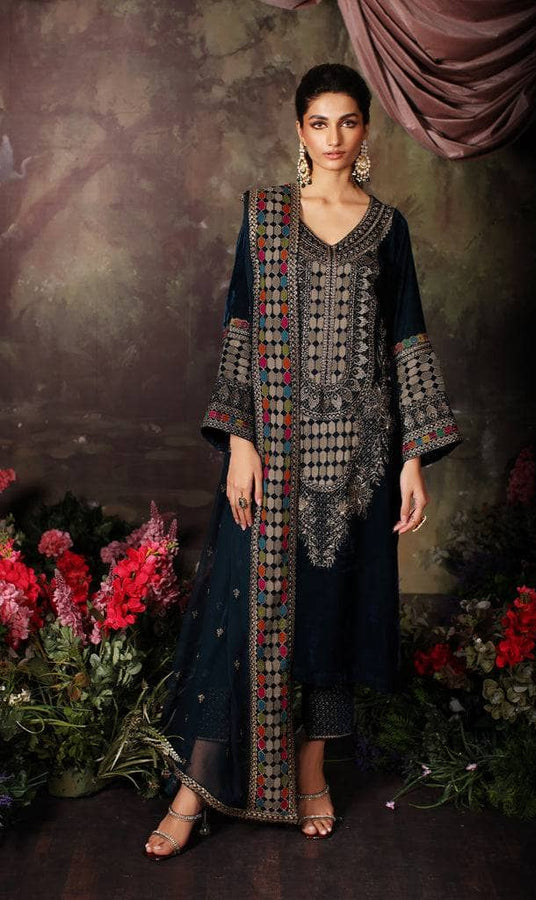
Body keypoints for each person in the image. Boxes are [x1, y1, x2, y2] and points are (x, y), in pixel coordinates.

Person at [144, 62, 463, 859]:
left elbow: (407, 339)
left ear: (366, 131)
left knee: (335, 615)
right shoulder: (266, 216)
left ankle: (312, 771)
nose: (333, 137)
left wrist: (414, 458)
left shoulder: (387, 228)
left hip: (360, 462)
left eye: (347, 121)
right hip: (274, 453)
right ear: (299, 130)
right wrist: (240, 442)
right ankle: (195, 788)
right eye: (319, 122)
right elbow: (242, 327)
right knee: (245, 611)